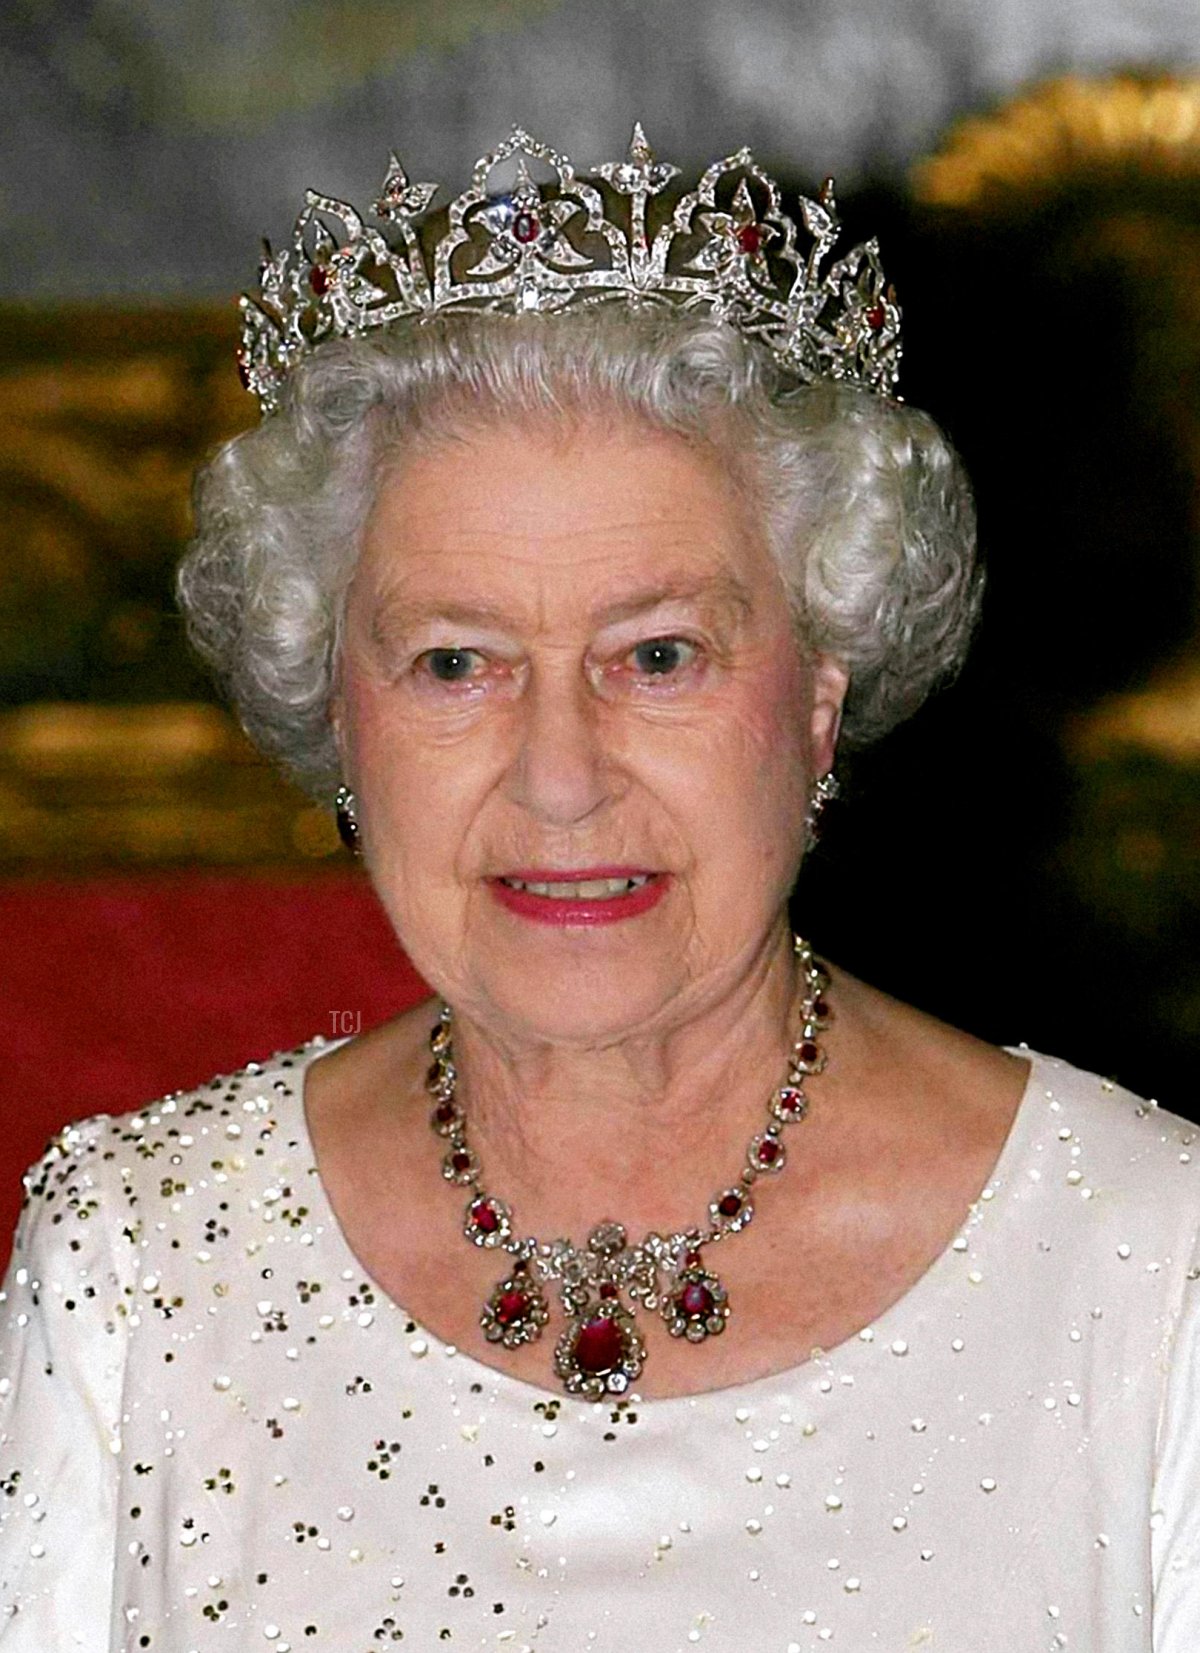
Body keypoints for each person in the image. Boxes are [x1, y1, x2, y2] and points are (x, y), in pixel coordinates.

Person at [0, 126, 1196, 1652]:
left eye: (657, 655)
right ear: (339, 713)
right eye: (454, 662)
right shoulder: (142, 1268)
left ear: (818, 691)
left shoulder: (1149, 1267)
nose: (558, 775)